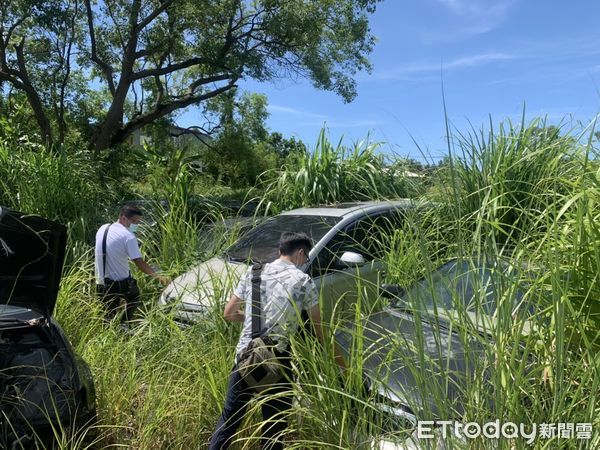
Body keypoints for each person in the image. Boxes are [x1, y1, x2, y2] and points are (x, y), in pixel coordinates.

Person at [209, 232, 346, 450]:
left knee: (228, 423)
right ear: (301, 253)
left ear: (279, 250)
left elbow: (228, 313)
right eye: (307, 257)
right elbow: (320, 332)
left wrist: (253, 318)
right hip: (277, 361)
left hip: (246, 356)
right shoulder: (302, 281)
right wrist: (343, 366)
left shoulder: (253, 273)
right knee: (274, 430)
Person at [94, 204, 170, 323]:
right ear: (123, 218)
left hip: (100, 281)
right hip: (119, 285)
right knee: (134, 297)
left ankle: (113, 330)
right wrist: (158, 276)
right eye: (134, 221)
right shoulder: (128, 236)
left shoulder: (103, 228)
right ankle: (125, 324)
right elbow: (139, 262)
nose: (136, 225)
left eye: (138, 222)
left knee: (108, 316)